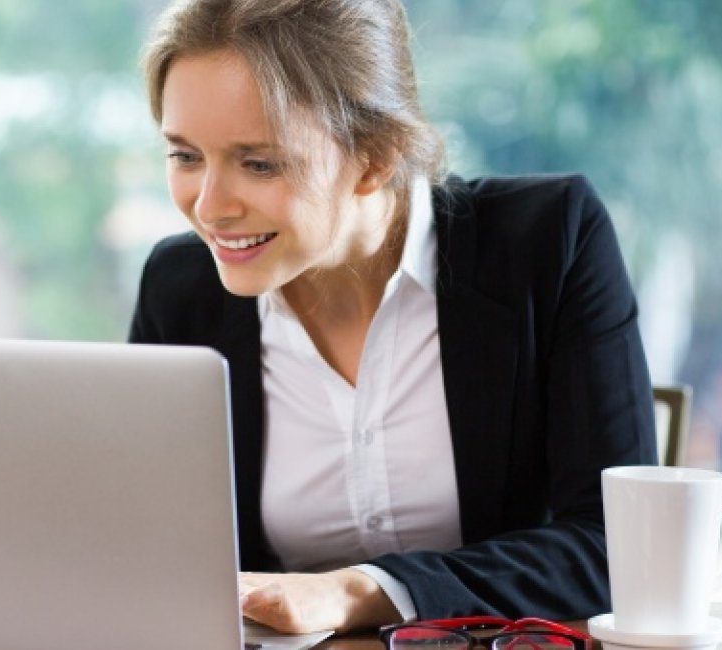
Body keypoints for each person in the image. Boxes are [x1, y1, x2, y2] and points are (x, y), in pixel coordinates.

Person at [129, 0, 656, 635]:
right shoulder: (177, 288)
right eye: (185, 157)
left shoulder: (550, 243)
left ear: (376, 156)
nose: (209, 206)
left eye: (258, 162)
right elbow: (154, 553)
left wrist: (363, 590)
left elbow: (616, 546)